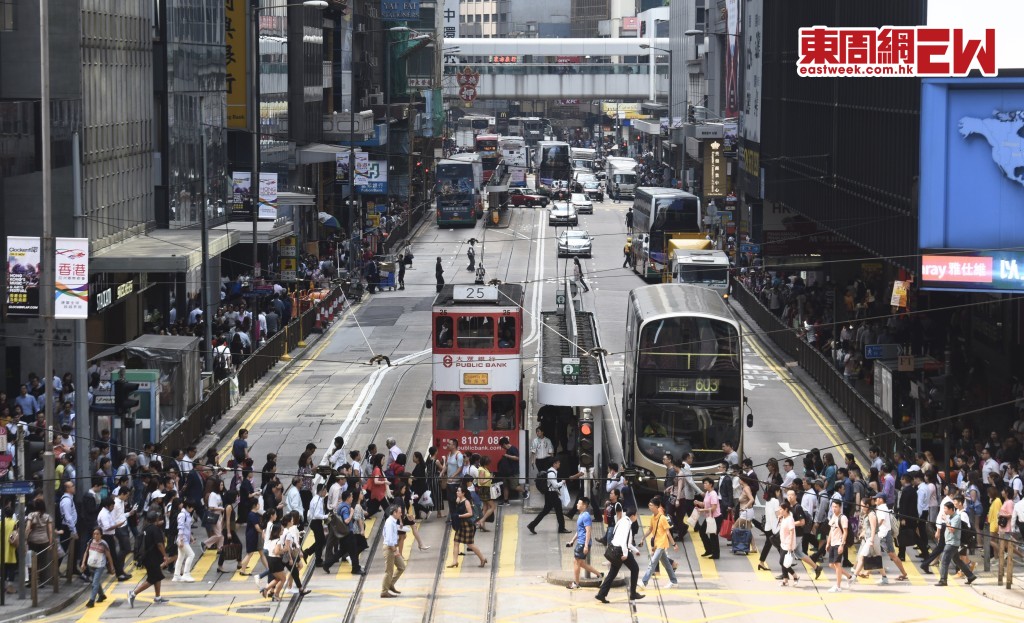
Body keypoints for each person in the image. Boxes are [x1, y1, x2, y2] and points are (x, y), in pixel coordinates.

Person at [594, 506, 643, 603]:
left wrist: (634, 550)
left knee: (612, 573)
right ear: (632, 516)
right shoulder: (627, 524)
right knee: (635, 568)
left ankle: (601, 594)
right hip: (621, 551)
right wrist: (625, 554)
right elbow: (624, 541)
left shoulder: (622, 521)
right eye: (636, 515)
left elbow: (626, 541)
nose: (637, 517)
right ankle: (633, 593)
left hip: (615, 549)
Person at [128, 512, 170, 608]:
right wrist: (165, 556)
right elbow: (159, 544)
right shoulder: (155, 530)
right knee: (152, 579)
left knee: (157, 576)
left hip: (147, 557)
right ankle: (133, 593)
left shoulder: (145, 529)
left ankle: (158, 597)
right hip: (152, 558)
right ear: (156, 520)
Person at [640, 495, 679, 589]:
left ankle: (643, 582)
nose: (650, 507)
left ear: (657, 506)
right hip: (657, 544)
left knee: (652, 562)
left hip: (662, 544)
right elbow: (650, 529)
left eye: (651, 505)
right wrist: (642, 538)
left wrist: (674, 544)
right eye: (649, 505)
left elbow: (668, 532)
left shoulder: (662, 518)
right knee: (667, 565)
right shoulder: (652, 517)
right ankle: (674, 581)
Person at [936, 501, 977, 586]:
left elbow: (952, 530)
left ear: (951, 509)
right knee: (957, 561)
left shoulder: (956, 518)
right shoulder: (951, 517)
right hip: (950, 542)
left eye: (945, 508)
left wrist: (946, 520)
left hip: (952, 543)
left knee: (944, 561)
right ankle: (970, 576)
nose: (944, 510)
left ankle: (943, 580)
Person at [527, 457, 572, 535]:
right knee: (559, 511)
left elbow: (551, 485)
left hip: (551, 494)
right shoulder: (551, 473)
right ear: (554, 464)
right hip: (551, 495)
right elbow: (555, 485)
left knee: (546, 511)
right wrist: (562, 482)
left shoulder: (553, 471)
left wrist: (557, 492)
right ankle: (561, 528)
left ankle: (532, 525)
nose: (559, 464)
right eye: (558, 463)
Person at [566, 497, 603, 590]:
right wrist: (572, 541)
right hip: (580, 542)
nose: (577, 505)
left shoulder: (586, 516)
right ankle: (599, 574)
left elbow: (588, 531)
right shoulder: (581, 515)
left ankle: (576, 583)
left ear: (584, 505)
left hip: (583, 543)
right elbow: (579, 531)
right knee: (580, 563)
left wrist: (586, 545)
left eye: (579, 503)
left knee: (577, 562)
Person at [80, 527, 114, 608]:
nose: (95, 535)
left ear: (101, 535)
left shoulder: (104, 544)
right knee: (96, 582)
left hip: (100, 566)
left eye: (97, 534)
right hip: (90, 565)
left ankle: (91, 600)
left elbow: (109, 556)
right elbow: (86, 552)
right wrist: (83, 563)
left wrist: (112, 566)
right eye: (94, 534)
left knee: (94, 583)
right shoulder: (90, 541)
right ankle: (102, 595)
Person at [380, 505, 407, 598]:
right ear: (394, 513)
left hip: (392, 548)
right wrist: (395, 551)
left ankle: (390, 584)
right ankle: (384, 591)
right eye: (399, 512)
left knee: (402, 566)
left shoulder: (393, 522)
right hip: (389, 549)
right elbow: (389, 540)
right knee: (389, 571)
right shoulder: (390, 523)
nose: (401, 514)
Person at [694, 477, 721, 559]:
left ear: (711, 484)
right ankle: (709, 550)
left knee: (713, 535)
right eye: (704, 483)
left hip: (715, 517)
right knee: (702, 532)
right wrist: (698, 503)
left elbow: (713, 508)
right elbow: (705, 504)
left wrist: (702, 510)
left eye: (706, 483)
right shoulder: (707, 493)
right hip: (709, 517)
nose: (704, 485)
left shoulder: (713, 494)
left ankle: (716, 554)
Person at [173, 499, 197, 582]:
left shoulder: (187, 514)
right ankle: (186, 574)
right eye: (191, 507)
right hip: (183, 539)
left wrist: (191, 537)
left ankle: (176, 575)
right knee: (191, 555)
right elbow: (181, 528)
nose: (192, 509)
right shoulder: (183, 515)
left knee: (181, 557)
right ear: (187, 506)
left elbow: (187, 529)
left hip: (184, 538)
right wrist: (181, 540)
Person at [777, 500, 799, 586]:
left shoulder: (790, 519)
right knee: (784, 562)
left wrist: (790, 545)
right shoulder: (784, 518)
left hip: (788, 544)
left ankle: (795, 576)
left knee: (782, 562)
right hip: (783, 542)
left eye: (781, 509)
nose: (780, 511)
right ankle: (785, 579)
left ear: (786, 509)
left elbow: (791, 532)